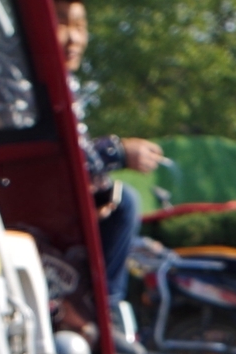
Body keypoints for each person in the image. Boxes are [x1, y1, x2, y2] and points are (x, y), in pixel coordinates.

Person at [55, 1, 162, 332]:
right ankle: (104, 311)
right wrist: (118, 151)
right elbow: (60, 153)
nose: (74, 38)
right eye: (61, 23)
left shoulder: (63, 81)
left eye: (81, 27)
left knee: (115, 199)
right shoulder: (24, 73)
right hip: (35, 203)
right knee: (124, 201)